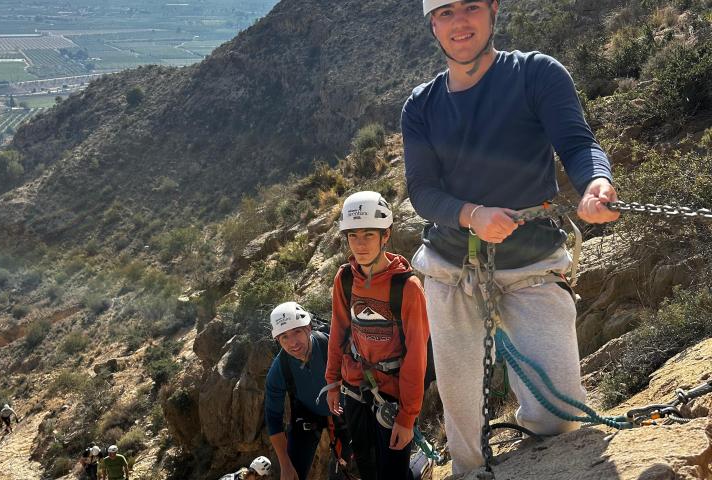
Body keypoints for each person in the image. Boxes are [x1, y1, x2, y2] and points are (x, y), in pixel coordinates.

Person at [401, 0, 621, 474]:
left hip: (531, 262)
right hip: (451, 268)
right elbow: (422, 190)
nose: (460, 22)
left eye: (471, 7)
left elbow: (577, 143)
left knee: (558, 415)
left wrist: (595, 183)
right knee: (464, 429)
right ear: (432, 24)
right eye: (445, 13)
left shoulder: (536, 75)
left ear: (493, 10)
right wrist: (471, 214)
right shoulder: (421, 106)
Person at [325, 191, 430, 480]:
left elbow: (416, 356)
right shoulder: (345, 279)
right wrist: (333, 381)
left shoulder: (407, 288)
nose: (360, 245)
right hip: (354, 388)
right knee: (369, 470)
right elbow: (339, 330)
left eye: (368, 235)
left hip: (392, 395)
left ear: (386, 236)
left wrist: (407, 418)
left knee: (393, 471)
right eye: (353, 235)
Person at [265, 302, 352, 480]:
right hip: (307, 414)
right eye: (284, 337)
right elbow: (273, 418)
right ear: (278, 341)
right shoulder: (279, 370)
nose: (293, 343)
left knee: (347, 472)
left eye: (297, 331)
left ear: (309, 328)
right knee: (292, 474)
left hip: (344, 410)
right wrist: (285, 464)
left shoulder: (331, 347)